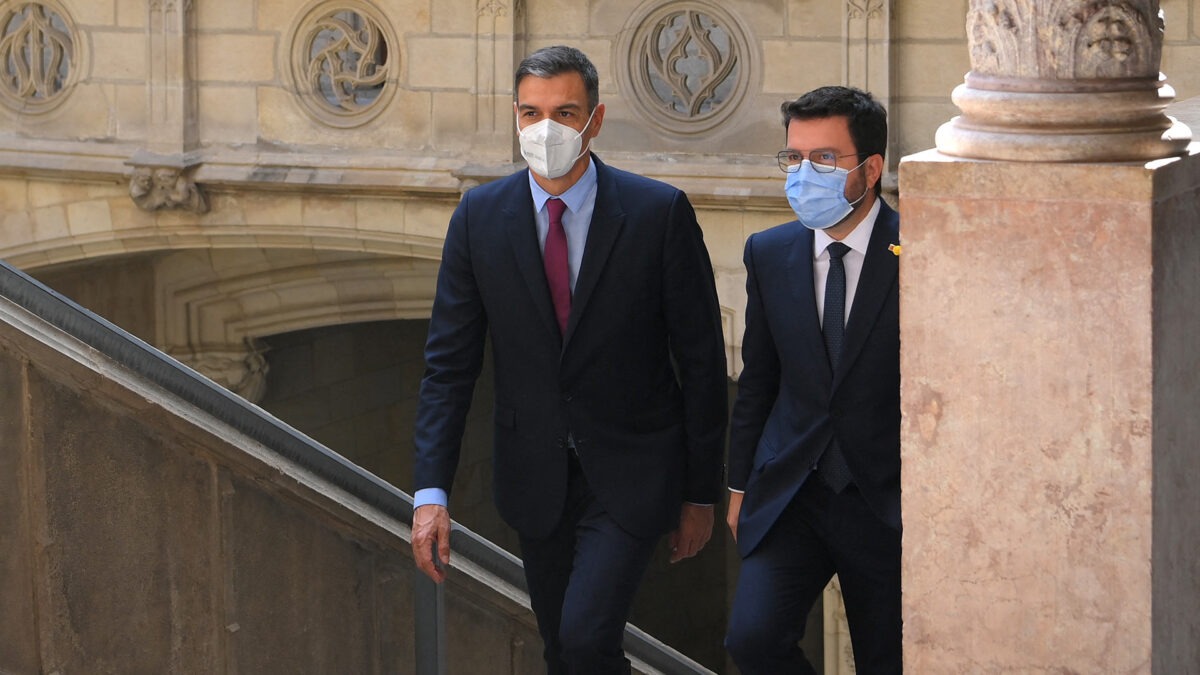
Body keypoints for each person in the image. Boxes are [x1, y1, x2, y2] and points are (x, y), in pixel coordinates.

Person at [410, 45, 728, 674]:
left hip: (633, 473)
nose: (544, 128)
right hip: (535, 477)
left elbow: (701, 362)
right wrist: (429, 491)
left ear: (595, 119)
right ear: (515, 117)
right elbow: (449, 366)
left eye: (564, 111)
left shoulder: (657, 214)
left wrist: (700, 493)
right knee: (566, 649)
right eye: (530, 112)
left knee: (585, 638)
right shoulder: (478, 217)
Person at [724, 86, 901, 674]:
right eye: (794, 158)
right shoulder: (769, 252)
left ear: (870, 169)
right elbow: (759, 379)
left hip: (886, 498)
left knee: (889, 660)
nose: (804, 172)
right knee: (753, 641)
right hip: (793, 490)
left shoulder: (923, 251)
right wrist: (739, 484)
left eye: (824, 158)